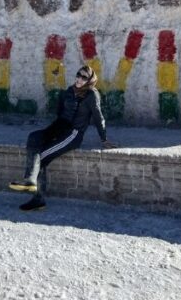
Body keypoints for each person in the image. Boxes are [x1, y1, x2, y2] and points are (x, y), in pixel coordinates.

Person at [8, 64, 115, 211]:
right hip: (60, 128)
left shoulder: (92, 95)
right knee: (34, 137)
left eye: (84, 77)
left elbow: (98, 117)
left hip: (73, 135)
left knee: (41, 156)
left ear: (90, 80)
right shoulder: (69, 91)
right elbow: (60, 112)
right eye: (78, 75)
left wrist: (104, 139)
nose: (79, 79)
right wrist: (54, 131)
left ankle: (35, 192)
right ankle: (32, 185)